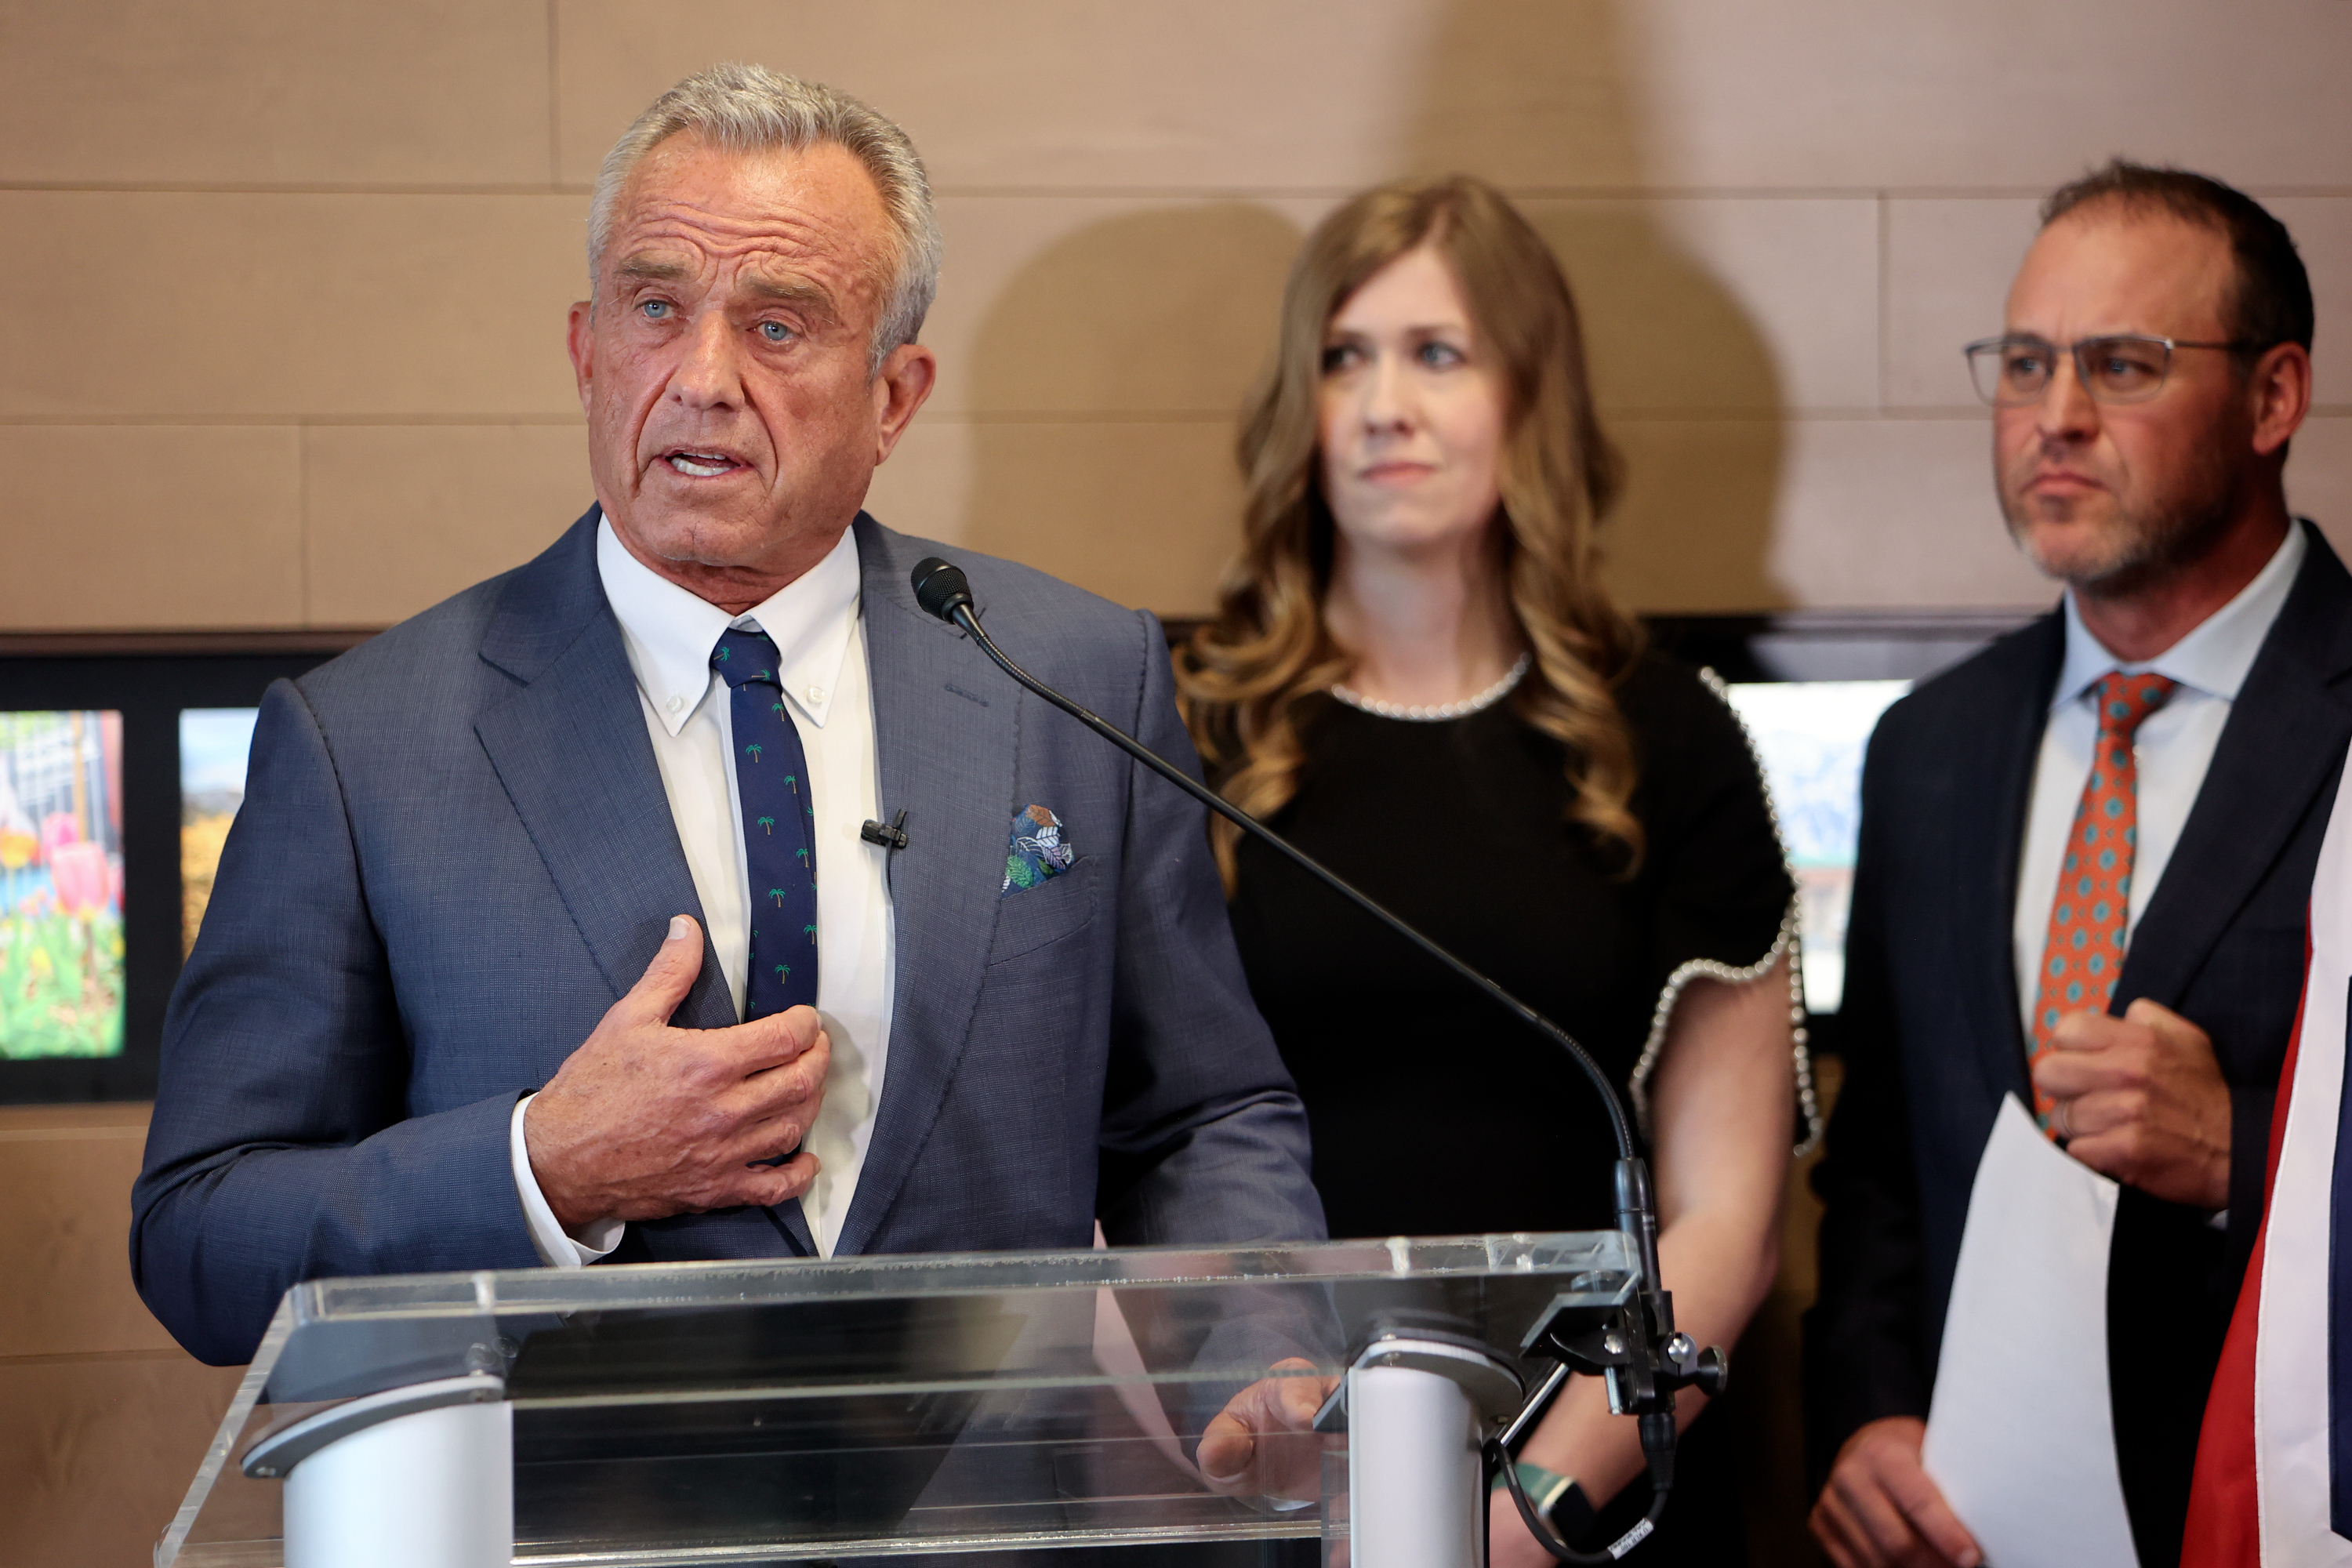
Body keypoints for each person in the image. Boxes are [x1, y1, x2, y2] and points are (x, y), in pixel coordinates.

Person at [129, 62, 1327, 1456]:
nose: (702, 378)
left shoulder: (1071, 676)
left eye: (778, 324)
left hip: (1000, 1537)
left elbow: (1201, 1111)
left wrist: (1254, 1353)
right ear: (588, 351)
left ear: (894, 396)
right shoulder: (364, 744)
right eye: (656, 309)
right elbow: (203, 1235)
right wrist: (540, 1170)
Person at [1174, 175, 1809, 1565]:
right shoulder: (1176, 727)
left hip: (1588, 1496)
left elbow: (1727, 1218)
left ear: (1531, 400)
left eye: (1437, 354)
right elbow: (1117, 1172)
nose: (1385, 403)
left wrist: (1513, 1519)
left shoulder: (1670, 737)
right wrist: (1295, 1484)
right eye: (1345, 358)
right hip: (1268, 1480)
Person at [1806, 161, 2340, 1568]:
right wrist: (1864, 1422)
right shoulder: (1927, 749)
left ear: (2274, 397)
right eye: (2027, 363)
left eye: (2122, 364)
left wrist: (2244, 1154)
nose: (2057, 418)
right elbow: (1878, 1175)